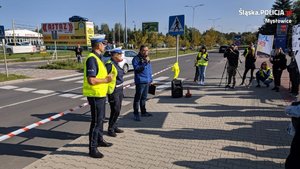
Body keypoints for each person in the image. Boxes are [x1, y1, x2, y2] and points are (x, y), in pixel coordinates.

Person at [83, 35, 113, 158]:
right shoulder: (92, 59)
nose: (105, 46)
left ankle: (100, 140)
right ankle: (92, 149)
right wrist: (106, 80)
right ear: (99, 45)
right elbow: (91, 80)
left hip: (100, 94)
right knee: (96, 122)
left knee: (100, 120)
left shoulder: (98, 58)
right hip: (95, 95)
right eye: (104, 44)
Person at [105, 48, 125, 137]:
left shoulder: (117, 63)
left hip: (119, 89)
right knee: (115, 110)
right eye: (119, 54)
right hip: (113, 91)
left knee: (118, 109)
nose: (121, 55)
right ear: (114, 55)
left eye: (121, 54)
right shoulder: (109, 64)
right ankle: (110, 129)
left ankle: (114, 126)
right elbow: (105, 78)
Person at [132, 45, 153, 121]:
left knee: (144, 98)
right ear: (140, 51)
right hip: (140, 81)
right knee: (137, 98)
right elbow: (137, 69)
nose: (146, 52)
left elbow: (149, 69)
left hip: (147, 81)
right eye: (144, 50)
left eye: (147, 50)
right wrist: (144, 63)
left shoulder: (147, 59)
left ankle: (143, 112)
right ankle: (136, 114)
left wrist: (151, 79)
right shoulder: (136, 59)